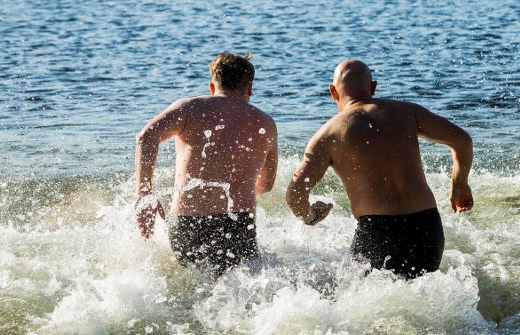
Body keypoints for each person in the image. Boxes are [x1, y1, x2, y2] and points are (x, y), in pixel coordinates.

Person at [286, 59, 474, 279]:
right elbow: (462, 141)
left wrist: (310, 216)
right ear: (373, 87)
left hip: (379, 234)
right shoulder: (408, 112)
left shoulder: (328, 135)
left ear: (333, 92)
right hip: (427, 228)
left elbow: (295, 193)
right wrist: (459, 183)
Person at [135, 53, 278, 276]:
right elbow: (266, 185)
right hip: (237, 223)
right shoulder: (265, 123)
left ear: (212, 86)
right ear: (249, 88)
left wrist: (145, 193)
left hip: (186, 222)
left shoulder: (189, 108)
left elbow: (146, 136)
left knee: (190, 290)